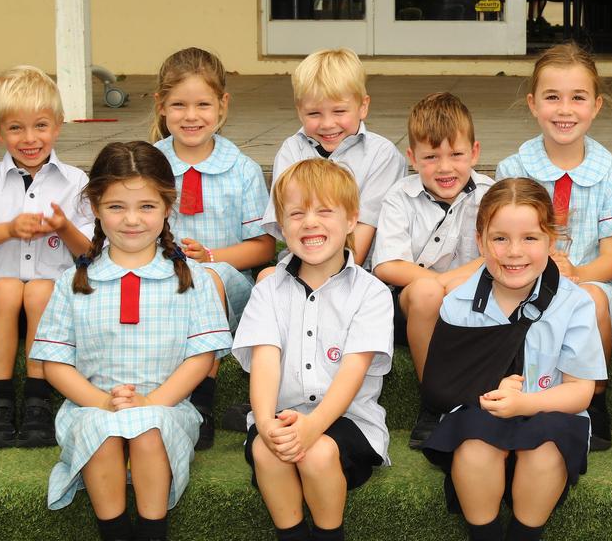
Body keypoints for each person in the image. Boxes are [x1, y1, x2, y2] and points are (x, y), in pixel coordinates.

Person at [29, 141, 232, 541]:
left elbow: (201, 357)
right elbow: (55, 363)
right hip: (89, 403)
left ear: (168, 207)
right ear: (95, 206)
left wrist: (153, 402)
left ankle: (154, 531)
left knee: (146, 428)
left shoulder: (192, 280)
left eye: (146, 206)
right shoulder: (71, 283)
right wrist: (102, 401)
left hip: (168, 406)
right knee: (101, 430)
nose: (132, 220)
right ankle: (115, 532)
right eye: (116, 206)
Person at [419, 178, 607, 541]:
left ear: (551, 241)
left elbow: (581, 391)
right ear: (480, 242)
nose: (514, 252)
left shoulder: (574, 303)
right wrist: (487, 395)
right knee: (475, 448)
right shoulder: (458, 303)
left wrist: (526, 402)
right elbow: (442, 389)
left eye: (530, 238)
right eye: (500, 238)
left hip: (549, 411)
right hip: (478, 420)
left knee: (546, 453)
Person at [233, 159, 393, 541]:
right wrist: (267, 423)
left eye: (325, 211)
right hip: (283, 418)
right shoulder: (268, 290)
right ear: (281, 224)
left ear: (352, 219)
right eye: (297, 213)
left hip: (349, 421)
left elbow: (354, 372)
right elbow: (265, 364)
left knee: (318, 452)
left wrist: (314, 427)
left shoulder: (371, 293)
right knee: (266, 450)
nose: (310, 223)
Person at [0, 65, 93, 449]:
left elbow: (94, 252)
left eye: (40, 126)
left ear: (58, 125)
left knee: (41, 290)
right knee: (7, 288)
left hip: (55, 312)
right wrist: (6, 229)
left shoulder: (77, 184)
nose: (29, 138)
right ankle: (0, 402)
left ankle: (38, 402)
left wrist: (63, 228)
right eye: (15, 128)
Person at [495, 42, 612, 451]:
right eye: (552, 97)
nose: (565, 109)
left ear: (595, 106)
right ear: (533, 103)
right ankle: (514, 388)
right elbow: (500, 245)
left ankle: (594, 398)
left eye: (577, 98)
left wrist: (571, 276)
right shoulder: (513, 169)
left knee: (591, 300)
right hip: (520, 277)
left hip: (587, 279)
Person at [150, 47, 275, 448]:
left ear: (222, 105)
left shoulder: (242, 170)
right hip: (163, 282)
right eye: (179, 105)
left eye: (203, 104)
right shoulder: (148, 165)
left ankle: (201, 401)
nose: (191, 116)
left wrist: (213, 257)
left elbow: (263, 248)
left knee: (207, 278)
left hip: (228, 290)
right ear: (161, 106)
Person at [371, 92, 494, 447]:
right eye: (430, 157)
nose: (445, 168)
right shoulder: (400, 197)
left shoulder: (490, 193)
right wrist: (441, 285)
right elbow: (388, 265)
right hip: (415, 303)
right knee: (426, 293)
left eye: (456, 155)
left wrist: (455, 284)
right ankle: (435, 400)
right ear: (412, 158)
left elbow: (495, 254)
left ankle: (483, 396)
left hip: (474, 295)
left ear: (474, 152)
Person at [262, 47, 408, 267]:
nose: (327, 124)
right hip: (301, 264)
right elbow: (289, 222)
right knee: (266, 278)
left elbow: (362, 234)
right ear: (300, 111)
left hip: (357, 271)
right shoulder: (292, 151)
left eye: (339, 112)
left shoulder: (382, 156)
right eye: (314, 113)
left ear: (363, 106)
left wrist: (331, 279)